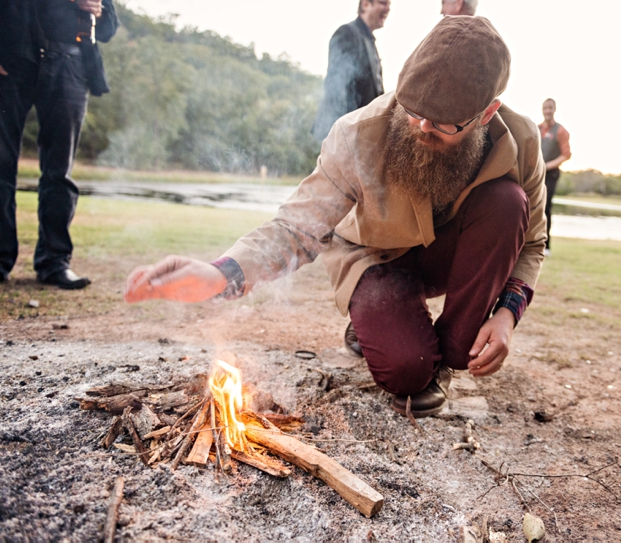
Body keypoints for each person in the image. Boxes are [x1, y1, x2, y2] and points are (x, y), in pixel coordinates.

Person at [125, 17, 547, 418]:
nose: (420, 126)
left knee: (508, 202)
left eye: (441, 123)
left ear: (487, 113)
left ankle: (452, 355)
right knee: (407, 370)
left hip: (447, 257)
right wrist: (221, 273)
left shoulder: (523, 142)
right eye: (412, 108)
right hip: (375, 260)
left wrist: (507, 313)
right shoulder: (357, 134)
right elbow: (296, 227)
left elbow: (531, 240)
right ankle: (378, 325)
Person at [0, 0, 118, 288]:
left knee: (59, 172)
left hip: (71, 64)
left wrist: (98, 10)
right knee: (1, 166)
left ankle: (54, 262)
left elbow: (109, 27)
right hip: (12, 61)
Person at [312, 0, 390, 142]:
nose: (388, 8)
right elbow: (336, 87)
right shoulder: (347, 33)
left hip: (360, 133)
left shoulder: (369, 40)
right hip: (345, 133)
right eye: (383, 3)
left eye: (389, 4)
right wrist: (345, 135)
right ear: (366, 4)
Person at [538, 98, 571, 255]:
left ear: (554, 109)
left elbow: (566, 155)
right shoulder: (537, 129)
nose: (548, 111)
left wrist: (548, 166)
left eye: (550, 108)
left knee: (546, 207)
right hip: (536, 172)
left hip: (551, 174)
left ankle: (547, 245)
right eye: (546, 108)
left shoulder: (560, 131)